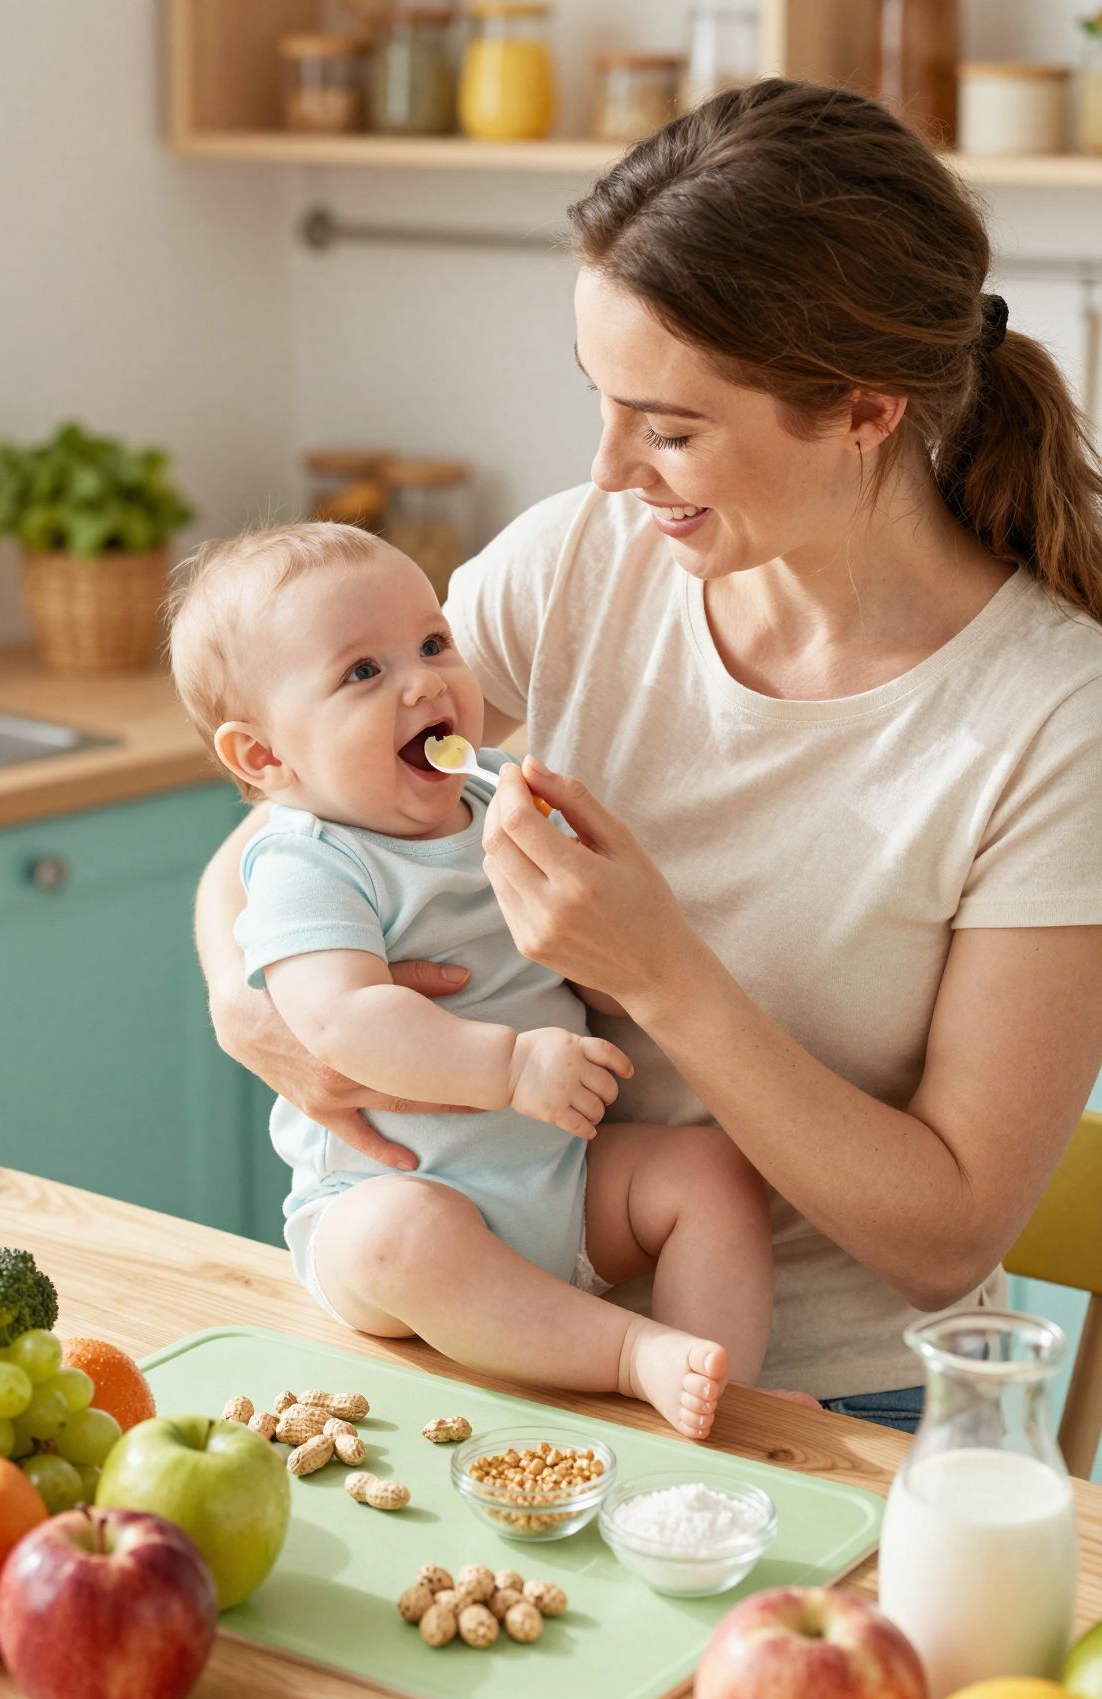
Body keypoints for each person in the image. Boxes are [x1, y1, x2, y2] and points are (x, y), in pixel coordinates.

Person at [194, 80, 1102, 1431]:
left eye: (671, 428)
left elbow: (946, 1237)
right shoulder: (583, 563)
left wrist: (662, 973)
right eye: (605, 403)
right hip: (479, 1333)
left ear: (862, 410)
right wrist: (257, 1006)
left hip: (822, 1407)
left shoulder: (1051, 724)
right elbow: (285, 827)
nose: (612, 469)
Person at [168, 522, 790, 1438]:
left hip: (564, 1182)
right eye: (361, 673)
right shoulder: (308, 860)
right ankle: (629, 1354)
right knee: (400, 1237)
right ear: (265, 759)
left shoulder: (502, 792)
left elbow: (602, 958)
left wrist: (622, 962)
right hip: (398, 1204)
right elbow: (342, 1021)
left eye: (431, 644)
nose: (424, 681)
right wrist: (508, 1068)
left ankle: (711, 1391)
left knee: (709, 1171)